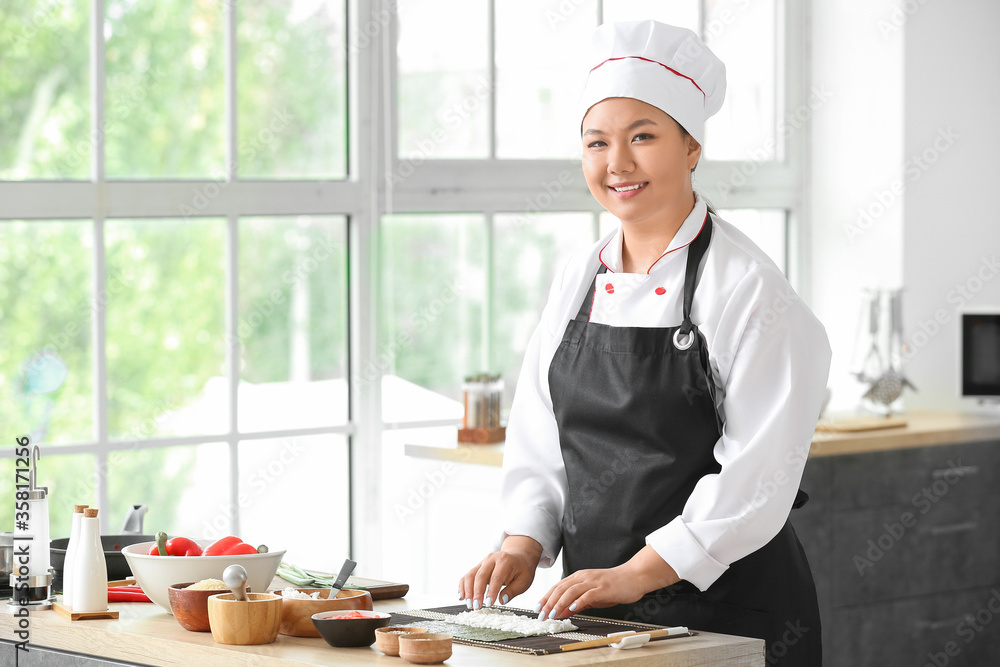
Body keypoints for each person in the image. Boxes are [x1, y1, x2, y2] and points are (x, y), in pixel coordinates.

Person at [457, 19, 831, 665]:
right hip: (598, 612)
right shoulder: (576, 279)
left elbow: (757, 476)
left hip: (727, 613)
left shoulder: (749, 290)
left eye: (643, 137)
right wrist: (522, 542)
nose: (617, 163)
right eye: (596, 142)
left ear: (691, 147)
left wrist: (639, 572)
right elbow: (540, 434)